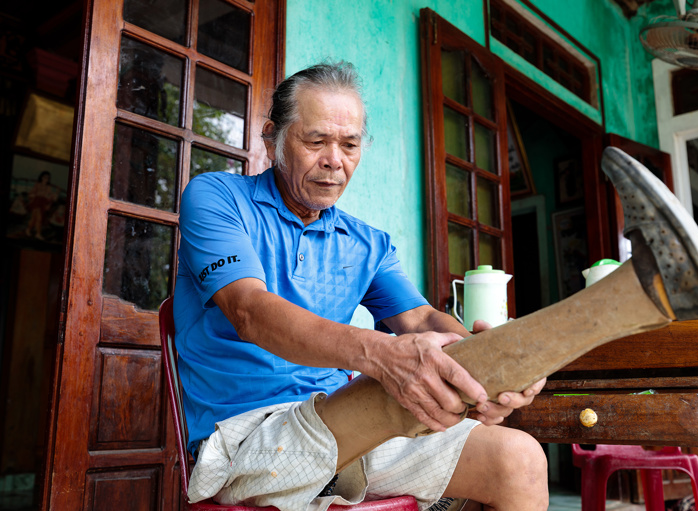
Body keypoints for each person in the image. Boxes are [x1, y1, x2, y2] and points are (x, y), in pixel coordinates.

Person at [174, 61, 548, 511]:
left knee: (520, 459)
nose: (335, 160)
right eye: (316, 141)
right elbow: (249, 310)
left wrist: (488, 366)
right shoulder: (217, 197)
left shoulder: (368, 243)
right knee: (404, 395)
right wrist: (383, 355)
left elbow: (421, 319)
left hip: (350, 424)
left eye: (350, 145)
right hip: (247, 434)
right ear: (272, 137)